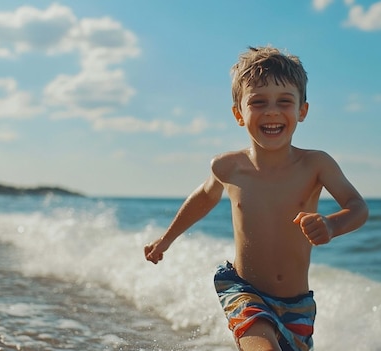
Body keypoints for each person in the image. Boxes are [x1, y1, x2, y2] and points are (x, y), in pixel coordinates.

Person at [144, 46, 369, 351]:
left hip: (297, 305)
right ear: (239, 113)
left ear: (302, 111)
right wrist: (165, 240)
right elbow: (203, 199)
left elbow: (357, 207)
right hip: (243, 290)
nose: (272, 111)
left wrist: (331, 225)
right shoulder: (228, 167)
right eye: (258, 102)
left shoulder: (316, 165)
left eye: (285, 102)